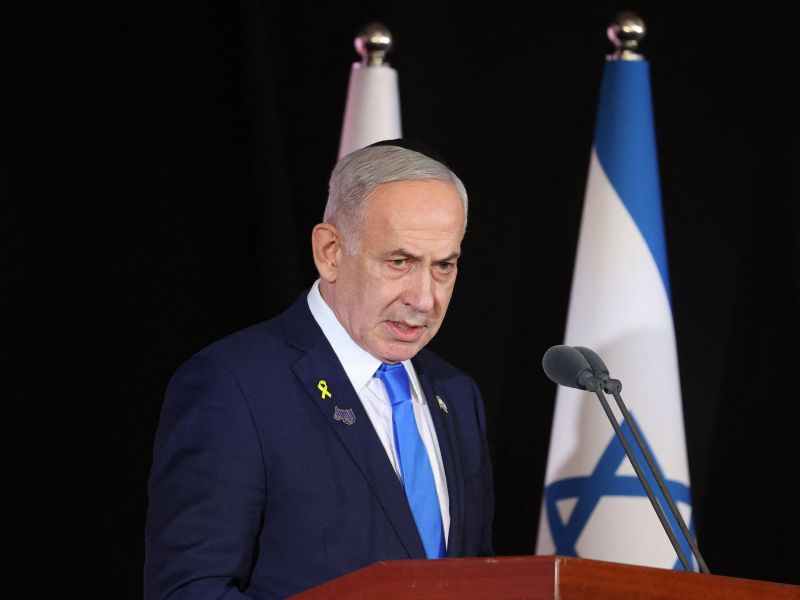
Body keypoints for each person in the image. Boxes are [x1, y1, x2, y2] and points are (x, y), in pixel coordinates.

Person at [144, 139, 494, 599]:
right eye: (399, 262)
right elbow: (190, 591)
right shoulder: (234, 387)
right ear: (330, 251)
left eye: (443, 266)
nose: (424, 298)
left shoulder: (457, 394)